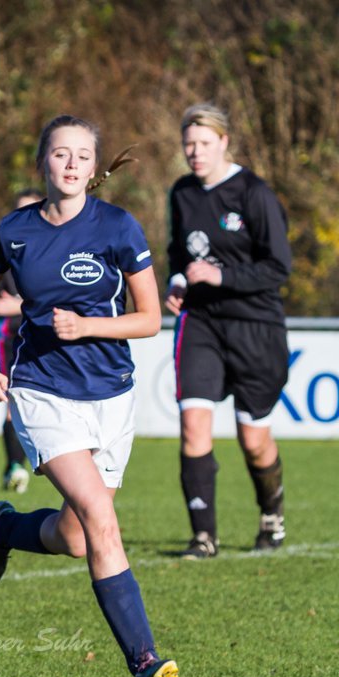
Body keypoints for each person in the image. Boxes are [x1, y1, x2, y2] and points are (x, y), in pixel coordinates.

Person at [0, 115, 178, 677]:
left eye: (83, 155)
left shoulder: (118, 227)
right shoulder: (15, 232)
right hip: (41, 393)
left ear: (94, 166)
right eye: (61, 154)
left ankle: (6, 527)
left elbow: (152, 319)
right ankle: (144, 661)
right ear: (44, 163)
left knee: (78, 536)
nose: (72, 164)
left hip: (112, 396)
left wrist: (89, 326)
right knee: (102, 521)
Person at [164, 103, 291, 559]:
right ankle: (203, 537)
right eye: (188, 144)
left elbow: (279, 267)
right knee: (193, 424)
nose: (194, 153)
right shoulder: (181, 193)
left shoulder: (254, 193)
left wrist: (223, 277)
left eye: (203, 143)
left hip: (256, 326)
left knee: (253, 440)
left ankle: (271, 516)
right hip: (201, 323)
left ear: (224, 142)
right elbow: (178, 252)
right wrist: (177, 281)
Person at [0, 188, 45, 494]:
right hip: (10, 334)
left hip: (45, 334)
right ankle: (15, 467)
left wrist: (20, 304)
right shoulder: (4, 247)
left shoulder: (58, 248)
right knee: (13, 401)